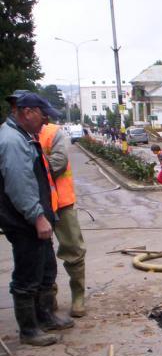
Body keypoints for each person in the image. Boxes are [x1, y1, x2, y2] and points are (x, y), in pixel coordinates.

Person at [0, 92, 75, 346]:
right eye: (43, 116)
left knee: (45, 268)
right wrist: (37, 217)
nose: (45, 123)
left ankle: (45, 316)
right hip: (23, 221)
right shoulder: (12, 141)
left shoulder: (24, 136)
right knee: (27, 274)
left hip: (36, 217)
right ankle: (29, 330)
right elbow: (19, 185)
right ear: (28, 112)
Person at [39, 121, 87, 318]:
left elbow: (58, 162)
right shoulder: (15, 135)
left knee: (73, 249)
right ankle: (48, 297)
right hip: (34, 205)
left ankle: (78, 297)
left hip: (62, 202)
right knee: (41, 254)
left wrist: (30, 164)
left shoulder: (51, 132)